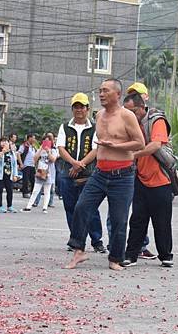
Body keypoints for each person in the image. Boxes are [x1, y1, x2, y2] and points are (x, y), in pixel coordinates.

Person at [65, 79, 145, 271]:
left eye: (105, 91)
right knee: (82, 207)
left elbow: (140, 143)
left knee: (119, 219)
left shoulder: (127, 116)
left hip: (123, 175)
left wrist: (117, 146)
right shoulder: (99, 115)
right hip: (100, 173)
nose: (101, 94)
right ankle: (78, 250)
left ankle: (115, 258)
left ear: (117, 94)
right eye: (100, 91)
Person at [120, 93, 174, 268]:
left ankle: (166, 255)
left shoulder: (156, 120)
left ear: (142, 108)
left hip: (160, 180)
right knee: (137, 220)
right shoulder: (130, 125)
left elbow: (156, 145)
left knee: (162, 221)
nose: (130, 116)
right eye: (126, 112)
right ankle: (131, 255)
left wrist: (134, 154)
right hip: (139, 178)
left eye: (132, 111)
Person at [55, 93, 105, 253]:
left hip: (88, 173)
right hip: (66, 172)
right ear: (72, 109)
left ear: (87, 109)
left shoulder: (95, 127)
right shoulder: (64, 127)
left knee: (89, 207)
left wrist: (81, 164)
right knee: (70, 207)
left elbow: (96, 149)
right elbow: (61, 148)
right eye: (76, 107)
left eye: (82, 107)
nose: (79, 110)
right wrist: (73, 163)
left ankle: (97, 240)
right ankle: (75, 240)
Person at [21, 135, 58, 213]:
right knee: (35, 190)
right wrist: (41, 149)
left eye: (48, 141)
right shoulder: (40, 149)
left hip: (49, 172)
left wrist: (48, 152)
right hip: (40, 172)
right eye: (45, 141)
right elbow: (34, 159)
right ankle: (28, 206)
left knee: (47, 191)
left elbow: (53, 159)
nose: (46, 143)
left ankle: (45, 208)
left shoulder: (53, 150)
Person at [0, 137, 19, 213]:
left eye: (5, 141)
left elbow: (14, 164)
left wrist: (15, 175)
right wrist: (3, 152)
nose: (4, 143)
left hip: (8, 174)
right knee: (0, 190)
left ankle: (10, 206)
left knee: (10, 190)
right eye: (2, 142)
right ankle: (0, 206)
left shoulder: (12, 153)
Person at [18, 133, 37, 198]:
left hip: (32, 165)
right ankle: (25, 192)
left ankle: (32, 192)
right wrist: (21, 163)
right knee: (25, 180)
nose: (34, 140)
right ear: (30, 138)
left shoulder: (33, 146)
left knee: (33, 180)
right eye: (33, 138)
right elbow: (18, 154)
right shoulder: (24, 146)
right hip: (26, 165)